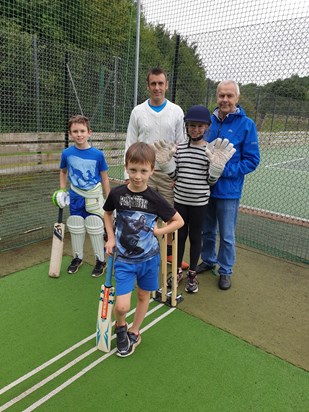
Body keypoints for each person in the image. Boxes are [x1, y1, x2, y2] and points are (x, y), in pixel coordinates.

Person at [104, 142, 184, 357]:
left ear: (152, 170)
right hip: (124, 260)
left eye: (143, 171)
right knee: (121, 307)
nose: (137, 176)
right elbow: (107, 213)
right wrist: (111, 238)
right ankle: (120, 325)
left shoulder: (155, 199)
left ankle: (134, 331)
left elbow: (178, 221)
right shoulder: (117, 194)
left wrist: (159, 233)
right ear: (126, 167)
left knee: (143, 296)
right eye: (133, 170)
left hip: (149, 260)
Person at [153, 106, 235, 294]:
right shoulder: (179, 149)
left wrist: (216, 169)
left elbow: (210, 181)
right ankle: (178, 271)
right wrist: (166, 164)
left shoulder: (210, 151)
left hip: (199, 202)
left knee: (195, 236)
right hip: (180, 200)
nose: (195, 129)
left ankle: (192, 274)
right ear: (186, 127)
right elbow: (175, 175)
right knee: (179, 235)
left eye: (199, 126)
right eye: (191, 126)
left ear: (206, 127)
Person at [196, 80, 260, 290]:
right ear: (217, 97)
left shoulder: (247, 124)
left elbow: (252, 160)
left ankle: (225, 270)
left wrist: (224, 170)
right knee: (207, 229)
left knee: (227, 234)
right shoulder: (208, 122)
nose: (225, 100)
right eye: (221, 95)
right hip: (205, 188)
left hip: (229, 192)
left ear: (237, 99)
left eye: (229, 96)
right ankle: (208, 259)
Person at [124, 67, 188, 268]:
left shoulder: (176, 111)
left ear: (166, 85)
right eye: (153, 83)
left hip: (168, 174)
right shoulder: (138, 112)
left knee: (170, 215)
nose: (157, 87)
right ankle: (141, 250)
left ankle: (169, 254)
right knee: (142, 214)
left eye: (161, 83)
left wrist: (177, 173)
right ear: (148, 86)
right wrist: (129, 174)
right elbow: (130, 142)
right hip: (144, 175)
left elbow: (182, 143)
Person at [53, 114, 110, 278]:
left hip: (94, 196)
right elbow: (63, 172)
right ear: (70, 133)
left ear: (89, 133)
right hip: (76, 196)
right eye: (75, 131)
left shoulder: (98, 154)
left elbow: (104, 177)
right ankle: (77, 258)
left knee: (95, 227)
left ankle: (101, 261)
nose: (79, 134)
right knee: (76, 226)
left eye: (82, 131)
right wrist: (63, 190)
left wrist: (109, 199)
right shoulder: (67, 153)